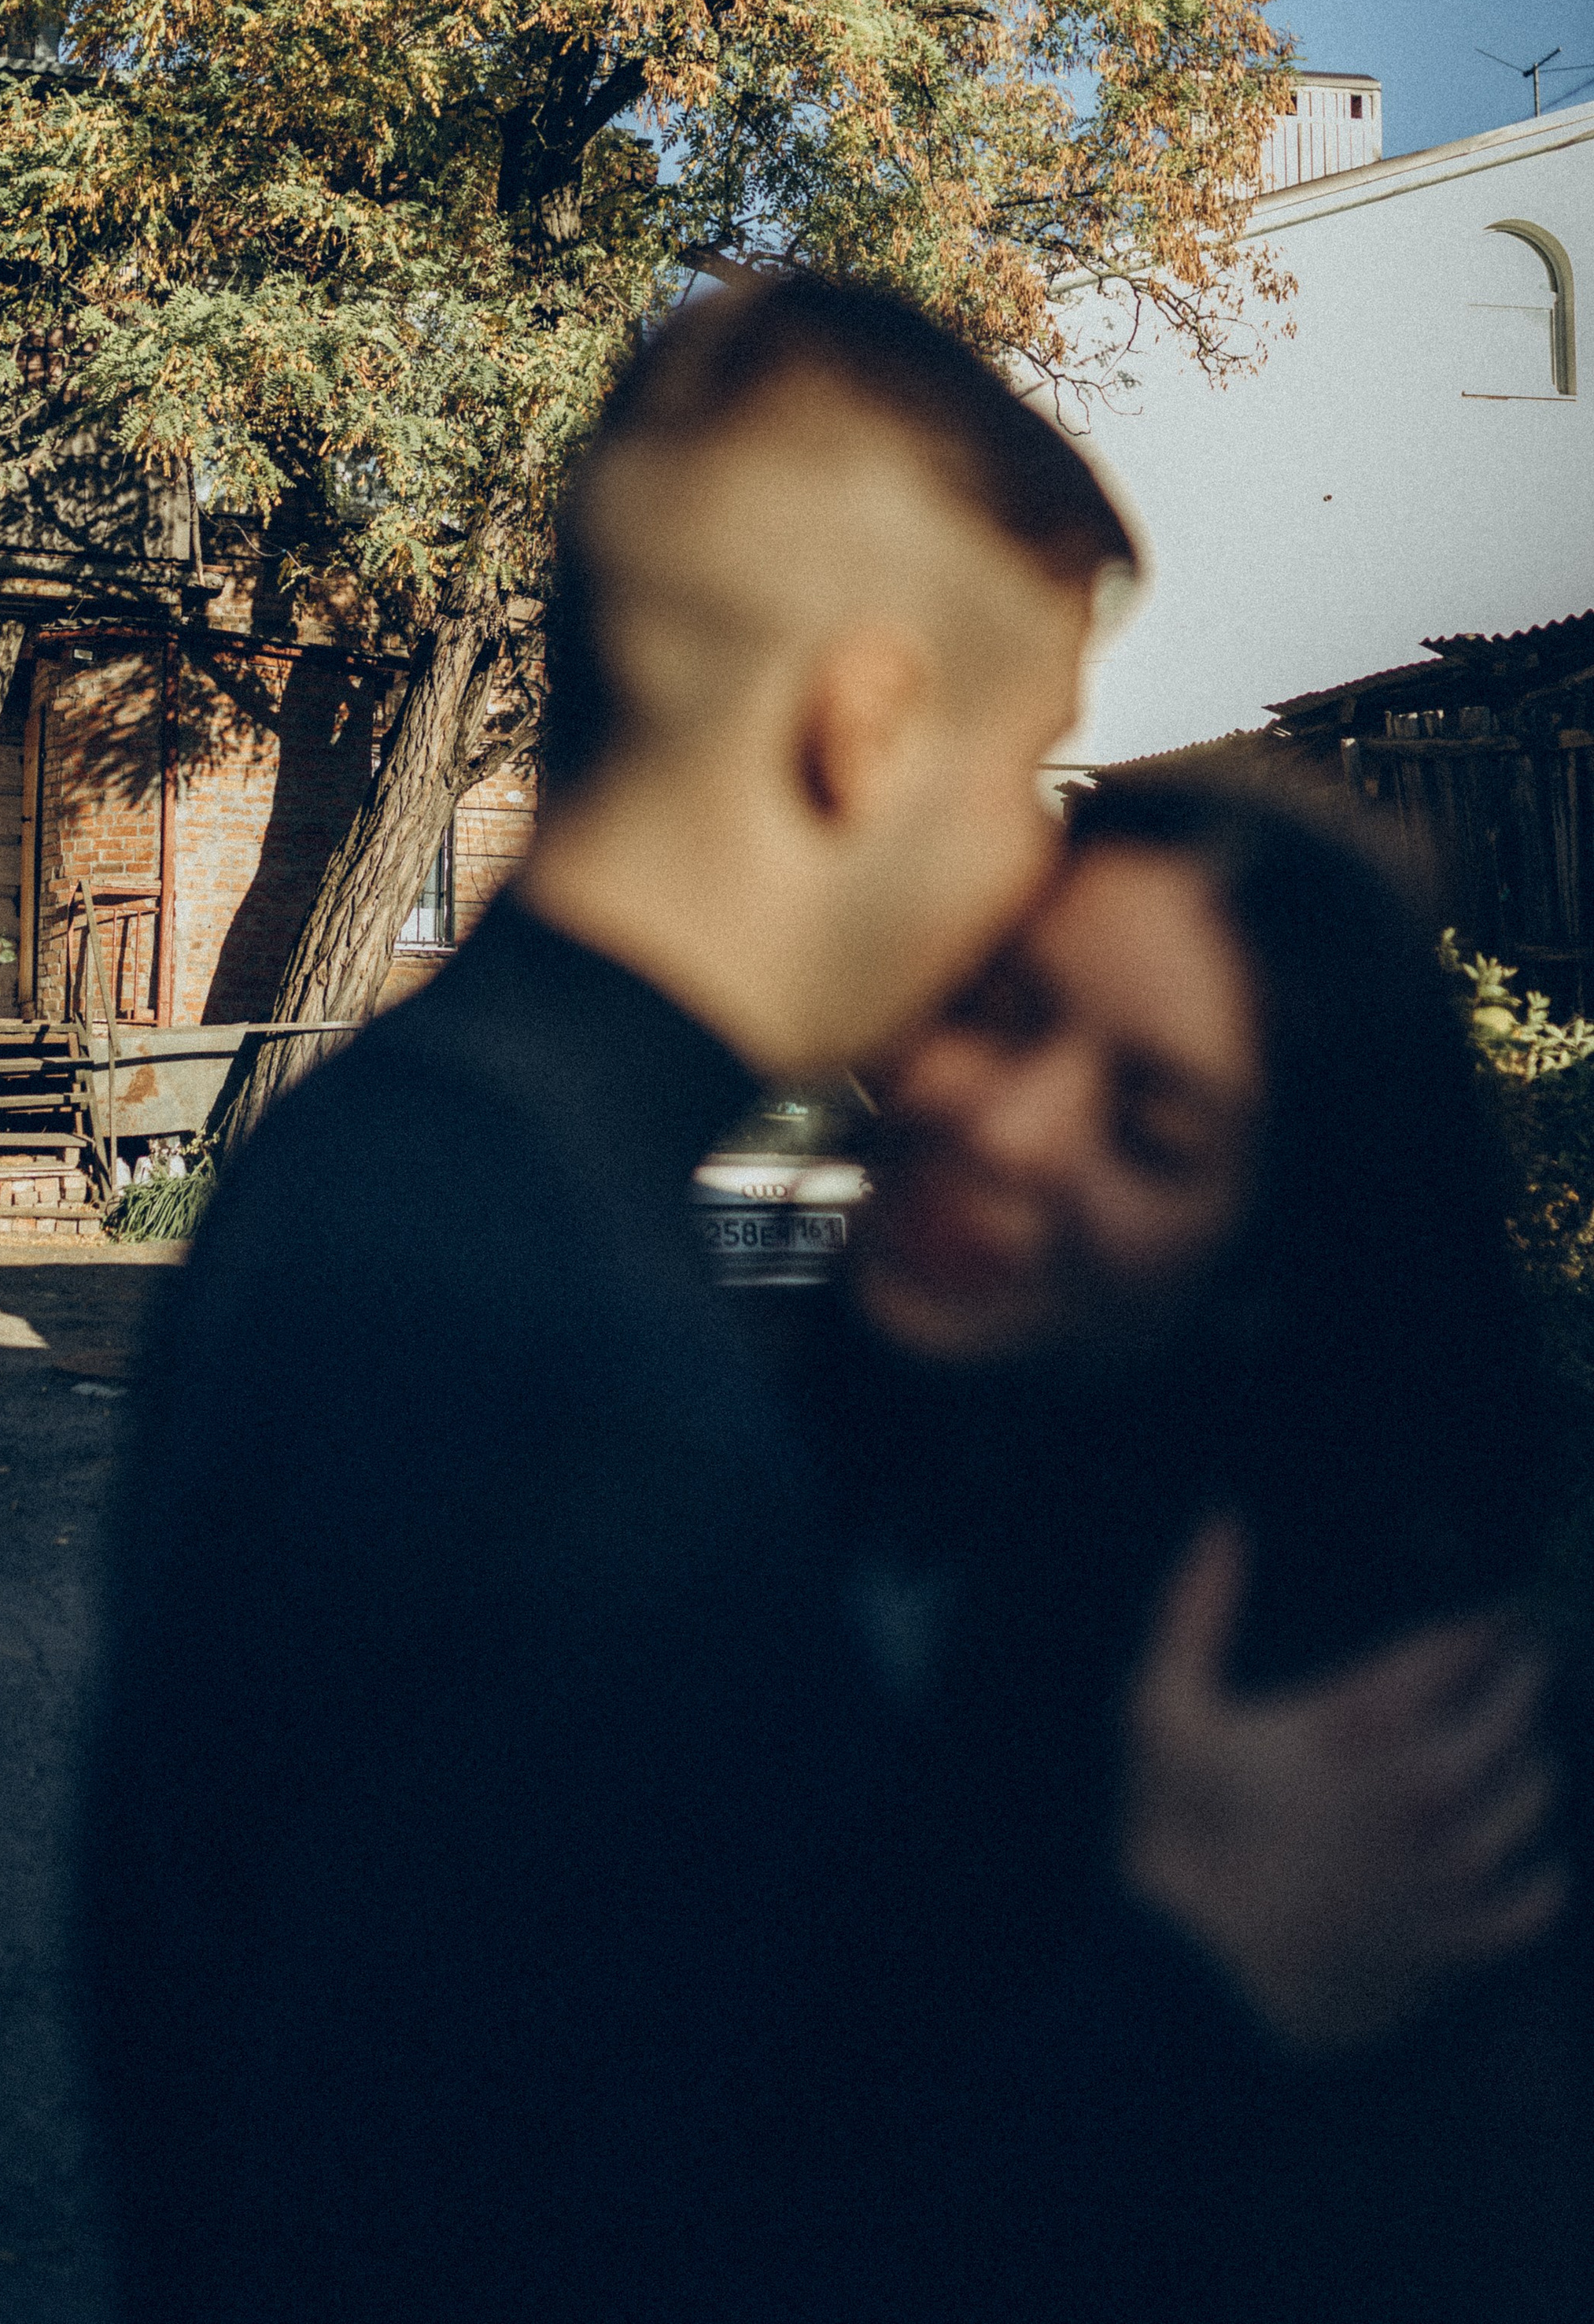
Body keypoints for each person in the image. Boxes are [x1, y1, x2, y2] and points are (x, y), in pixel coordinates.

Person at [76, 273, 1564, 2323]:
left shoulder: (428, 1166)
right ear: (866, 727)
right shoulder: (558, 1334)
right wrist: (1196, 1994)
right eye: (1025, 760)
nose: (1014, 869)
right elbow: (495, 2227)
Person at [817, 767, 1586, 2317]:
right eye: (1000, 1007)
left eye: (1149, 1130)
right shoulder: (781, 1460)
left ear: (1267, 1257)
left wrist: (1207, 1986)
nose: (1008, 1129)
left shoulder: (1385, 1701)